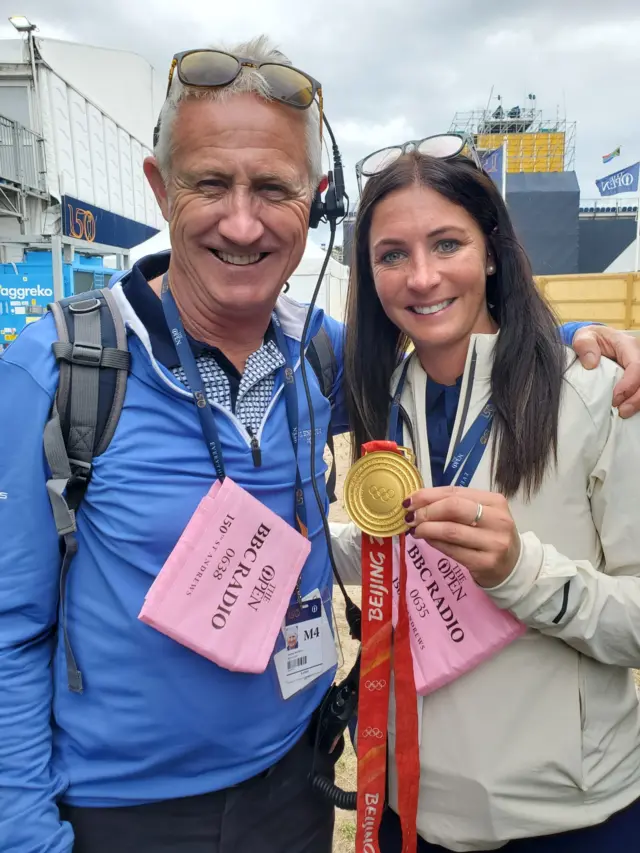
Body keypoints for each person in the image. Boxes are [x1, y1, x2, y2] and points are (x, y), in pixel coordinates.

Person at [0, 37, 638, 853]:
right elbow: (12, 627)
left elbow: (446, 339)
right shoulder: (58, 373)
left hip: (298, 793)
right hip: (127, 816)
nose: (242, 220)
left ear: (313, 201)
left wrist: (578, 341)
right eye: (209, 183)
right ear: (160, 189)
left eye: (273, 187)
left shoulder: (326, 360)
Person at [331, 148, 640, 852]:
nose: (423, 276)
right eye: (391, 254)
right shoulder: (375, 397)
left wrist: (520, 573)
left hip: (571, 818)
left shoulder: (600, 392)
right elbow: (394, 549)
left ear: (494, 252)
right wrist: (304, 553)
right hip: (411, 809)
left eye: (447, 243)